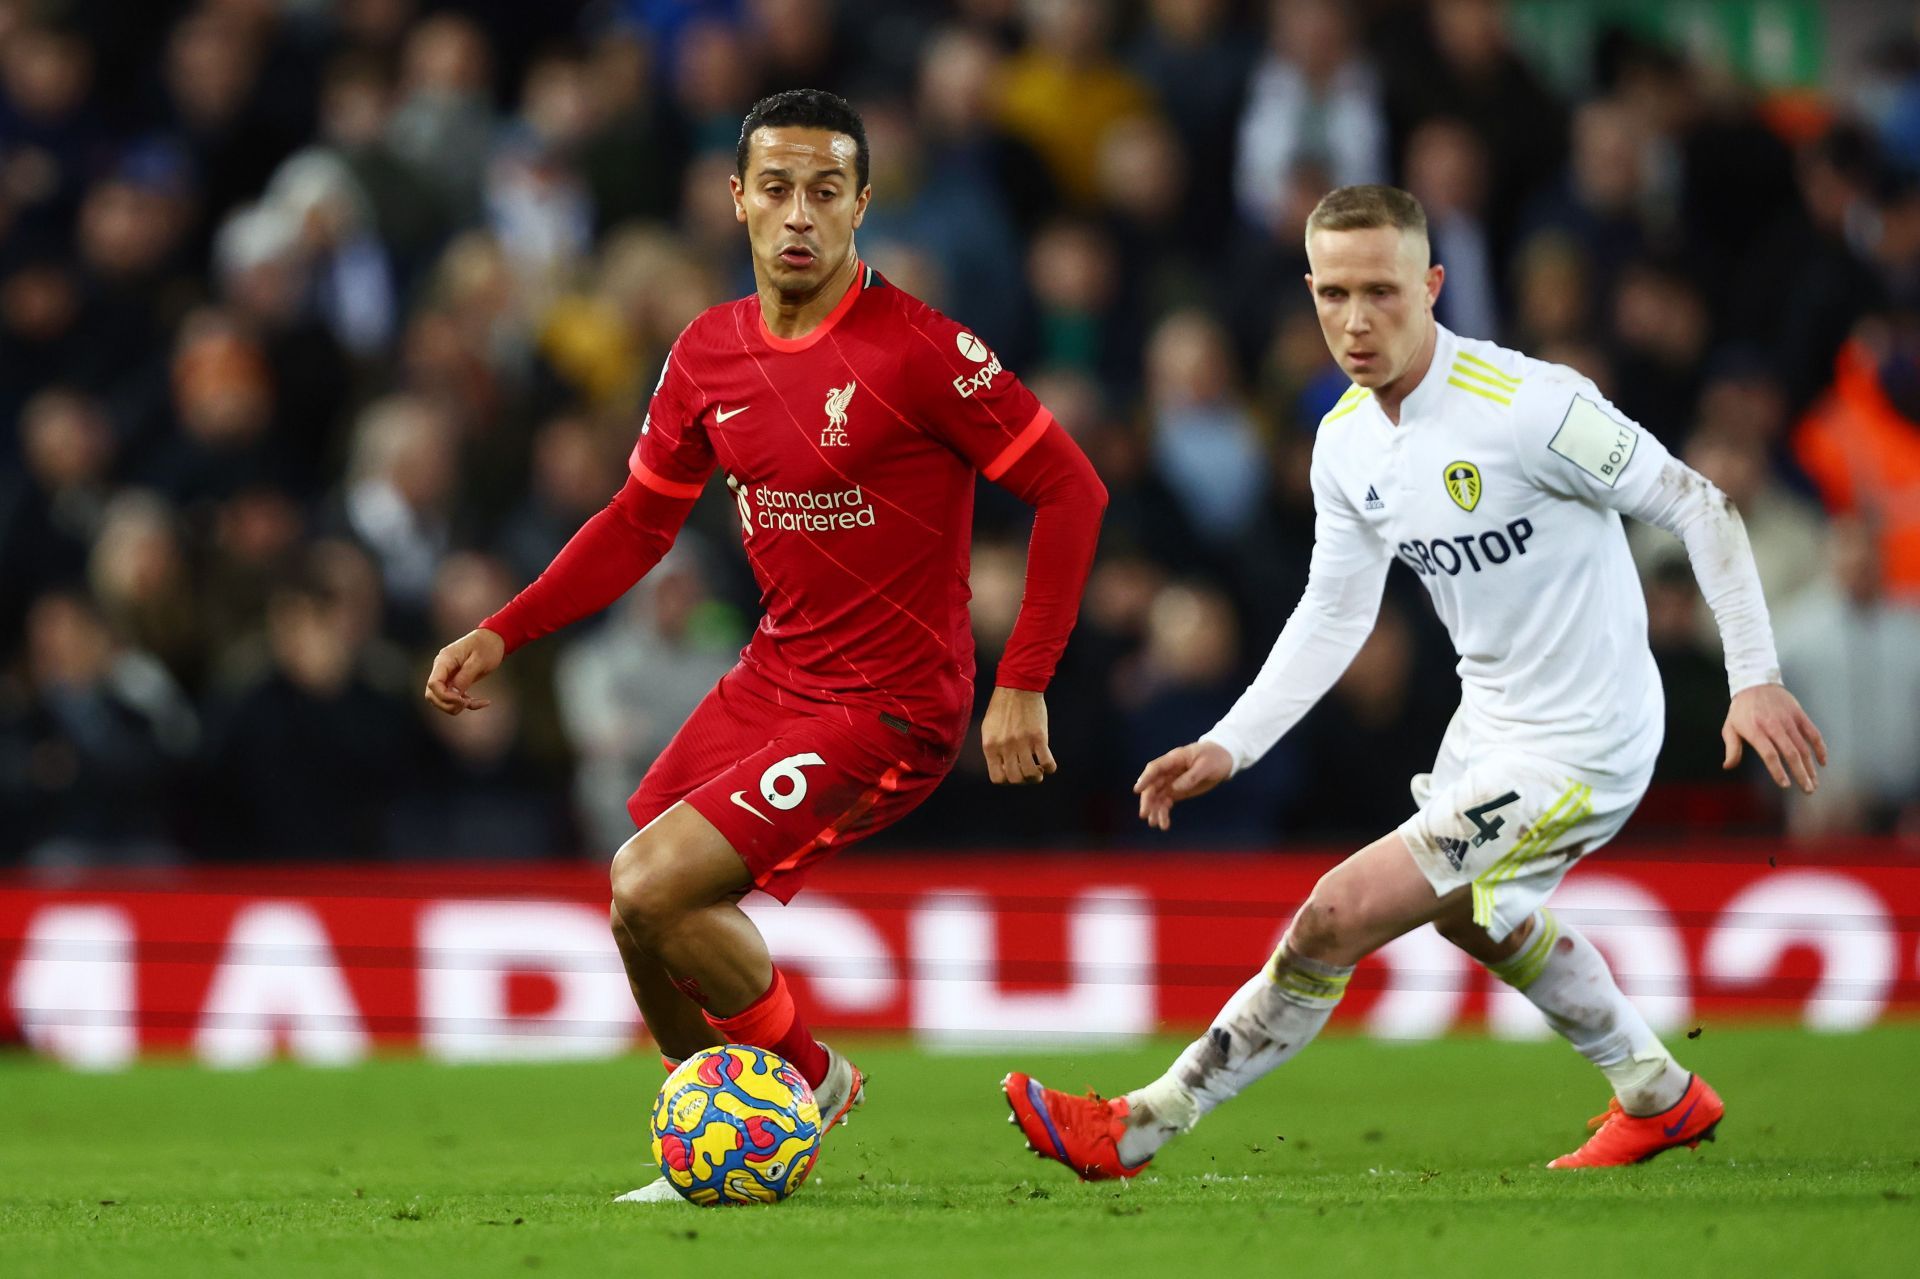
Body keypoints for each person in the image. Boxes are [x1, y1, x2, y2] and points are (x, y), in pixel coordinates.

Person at [1004, 184, 1824, 1178]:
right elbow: (1337, 611)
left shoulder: (1532, 405)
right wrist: (1234, 740)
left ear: (1433, 284)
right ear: (1309, 292)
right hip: (1488, 728)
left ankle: (1137, 1124)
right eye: (1334, 294)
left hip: (1587, 737)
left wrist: (1754, 677)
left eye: (1383, 293)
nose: (1356, 321)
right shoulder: (1347, 442)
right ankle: (1657, 1091)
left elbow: (1697, 503)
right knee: (1477, 914)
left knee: (1336, 913)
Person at [423, 90, 1106, 1198]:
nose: (799, 215)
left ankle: (805, 1079)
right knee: (636, 903)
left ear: (862, 206)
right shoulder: (707, 351)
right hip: (777, 675)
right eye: (777, 189)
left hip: (891, 701)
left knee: (650, 883)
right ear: (735, 199)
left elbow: (1070, 489)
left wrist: (1023, 679)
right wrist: (509, 630)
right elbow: (641, 520)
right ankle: (716, 1131)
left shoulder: (921, 351)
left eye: (825, 192)